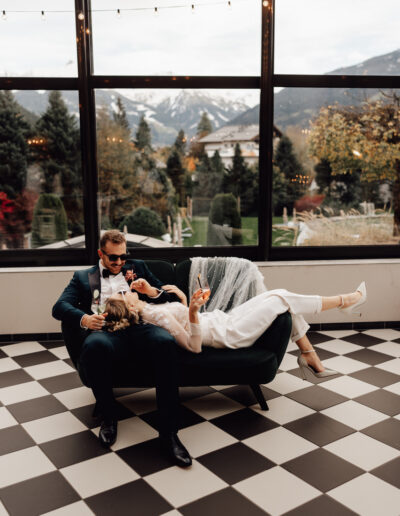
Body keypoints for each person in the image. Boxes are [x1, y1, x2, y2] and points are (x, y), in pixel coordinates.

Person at [52, 230, 192, 467]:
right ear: (100, 254)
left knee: (165, 343)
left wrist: (149, 291)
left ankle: (169, 433)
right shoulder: (83, 276)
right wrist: (85, 319)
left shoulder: (138, 267)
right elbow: (59, 307)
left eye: (123, 257)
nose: (118, 263)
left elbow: (164, 297)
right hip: (108, 330)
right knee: (95, 345)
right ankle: (109, 417)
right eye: (112, 258)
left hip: (141, 324)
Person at [105, 280, 367, 380]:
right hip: (227, 334)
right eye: (121, 293)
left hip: (221, 320)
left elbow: (182, 319)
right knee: (280, 299)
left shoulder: (149, 310)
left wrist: (187, 304)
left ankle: (311, 357)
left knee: (278, 295)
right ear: (127, 304)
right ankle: (344, 301)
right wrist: (194, 311)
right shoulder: (156, 315)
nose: (124, 288)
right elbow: (194, 347)